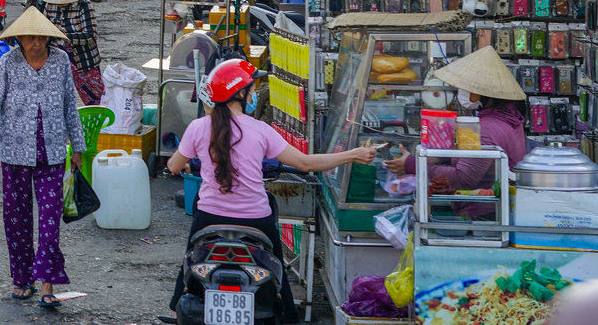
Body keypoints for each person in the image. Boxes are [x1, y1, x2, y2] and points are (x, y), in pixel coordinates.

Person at [168, 59, 377, 323]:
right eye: (253, 90)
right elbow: (305, 162)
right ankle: (287, 315)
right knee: (276, 267)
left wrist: (183, 161)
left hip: (209, 217)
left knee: (190, 259)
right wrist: (353, 155)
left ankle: (177, 309)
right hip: (256, 219)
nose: (255, 95)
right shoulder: (261, 130)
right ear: (241, 94)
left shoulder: (198, 127)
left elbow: (174, 166)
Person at [0, 7, 87, 309]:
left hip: (51, 154)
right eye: (30, 38)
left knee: (50, 222)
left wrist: (78, 147)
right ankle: (22, 279)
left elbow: (69, 106)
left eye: (41, 37)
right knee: (17, 221)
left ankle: (48, 283)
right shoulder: (7, 63)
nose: (36, 43)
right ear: (20, 39)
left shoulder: (61, 61)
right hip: (14, 153)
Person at [383, 47, 526, 217]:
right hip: (491, 211)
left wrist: (412, 164)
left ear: (481, 93)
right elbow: (477, 159)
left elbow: (464, 178)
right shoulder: (507, 119)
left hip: (483, 216)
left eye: (466, 88)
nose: (461, 93)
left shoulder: (487, 128)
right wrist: (441, 156)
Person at [39, 0, 102, 105]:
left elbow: (91, 35)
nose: (59, 2)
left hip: (82, 59)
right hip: (56, 59)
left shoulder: (84, 5)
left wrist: (65, 36)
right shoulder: (50, 5)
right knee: (54, 99)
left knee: (96, 98)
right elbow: (44, 29)